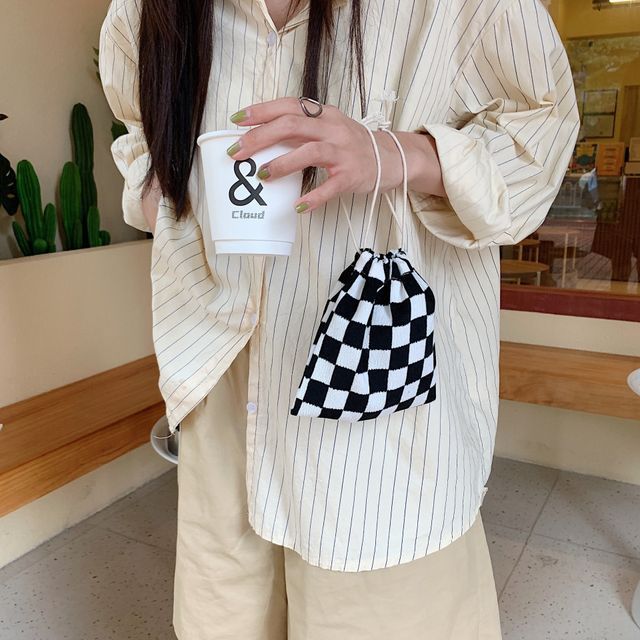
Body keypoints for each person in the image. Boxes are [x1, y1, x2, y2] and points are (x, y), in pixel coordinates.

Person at [99, 0, 580, 638]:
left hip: (376, 384)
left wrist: (398, 154)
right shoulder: (143, 10)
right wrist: (166, 201)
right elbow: (140, 130)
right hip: (216, 364)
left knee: (377, 603)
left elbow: (540, 129)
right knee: (226, 609)